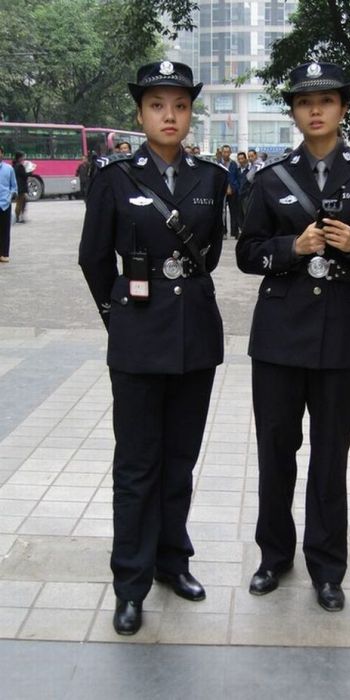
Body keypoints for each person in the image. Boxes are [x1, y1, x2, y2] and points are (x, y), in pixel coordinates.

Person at [236, 62, 350, 612]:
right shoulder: (271, 177)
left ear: (342, 108)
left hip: (342, 337)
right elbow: (247, 253)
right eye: (305, 102)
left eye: (326, 100)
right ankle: (273, 556)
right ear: (293, 112)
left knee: (331, 457)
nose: (316, 110)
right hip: (279, 337)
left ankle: (328, 568)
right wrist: (293, 248)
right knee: (275, 453)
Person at [79, 60, 228, 635]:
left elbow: (209, 255)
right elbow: (94, 258)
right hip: (137, 340)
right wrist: (117, 318)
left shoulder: (211, 178)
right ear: (140, 114)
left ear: (190, 114)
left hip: (195, 339)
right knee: (137, 466)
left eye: (180, 106)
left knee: (179, 462)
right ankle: (131, 582)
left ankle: (172, 562)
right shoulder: (115, 177)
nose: (170, 116)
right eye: (158, 105)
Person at [0, 146, 18, 262]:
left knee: (5, 230)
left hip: (5, 204)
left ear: (2, 154)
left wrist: (10, 196)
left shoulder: (9, 169)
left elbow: (14, 186)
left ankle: (4, 254)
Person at [221, 144, 240, 238]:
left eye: (228, 152)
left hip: (233, 191)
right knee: (222, 212)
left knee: (234, 211)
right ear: (222, 152)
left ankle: (234, 232)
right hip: (221, 191)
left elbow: (237, 177)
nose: (226, 154)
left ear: (230, 153)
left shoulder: (233, 164)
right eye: (224, 152)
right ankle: (223, 232)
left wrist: (233, 187)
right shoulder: (218, 164)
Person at [12, 151, 28, 223]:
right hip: (21, 187)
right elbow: (24, 176)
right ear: (19, 158)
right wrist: (29, 172)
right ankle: (17, 218)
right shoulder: (20, 166)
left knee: (23, 201)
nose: (24, 158)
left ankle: (20, 217)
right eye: (23, 157)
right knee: (20, 202)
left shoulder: (14, 165)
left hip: (17, 186)